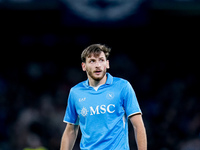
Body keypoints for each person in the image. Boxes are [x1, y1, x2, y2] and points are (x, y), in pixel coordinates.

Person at [60, 44, 147, 150]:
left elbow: (138, 125)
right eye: (92, 61)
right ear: (84, 66)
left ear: (107, 64)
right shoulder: (75, 92)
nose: (98, 65)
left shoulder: (122, 86)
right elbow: (71, 130)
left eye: (101, 60)